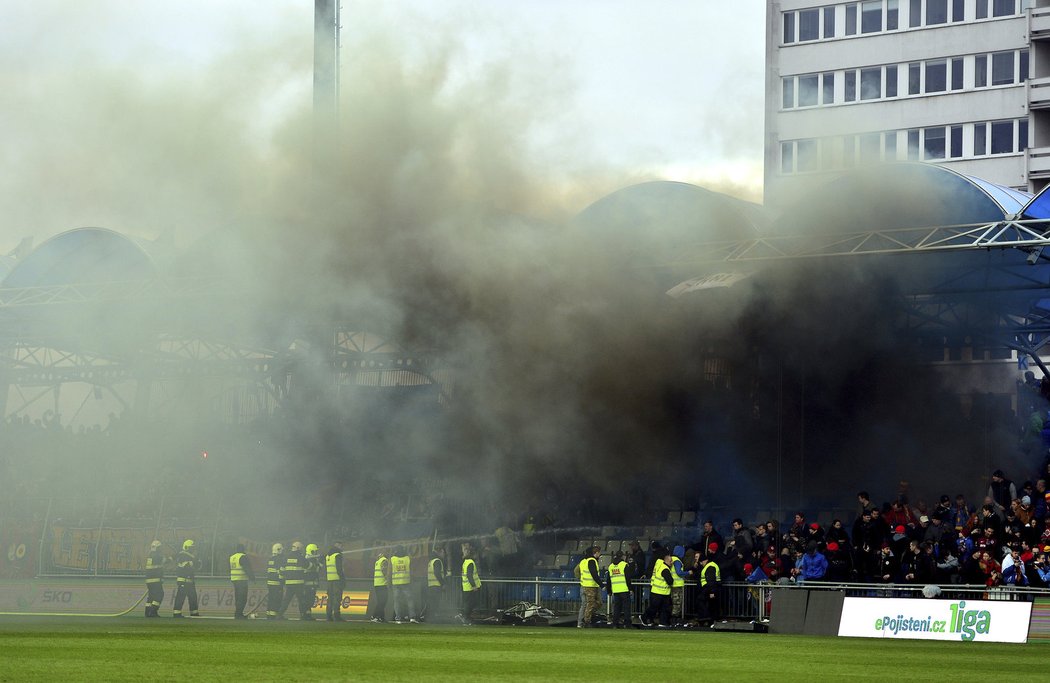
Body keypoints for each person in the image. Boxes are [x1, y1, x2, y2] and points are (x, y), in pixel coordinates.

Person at [641, 548, 673, 628]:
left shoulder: (659, 564)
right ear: (666, 561)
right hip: (661, 592)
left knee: (658, 608)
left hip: (656, 591)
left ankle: (661, 622)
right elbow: (670, 581)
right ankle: (645, 618)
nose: (671, 563)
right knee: (659, 608)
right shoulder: (665, 569)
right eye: (670, 561)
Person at [172, 539, 200, 618]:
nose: (193, 549)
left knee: (193, 597)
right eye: (191, 548)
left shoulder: (190, 556)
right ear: (186, 547)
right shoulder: (182, 555)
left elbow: (197, 566)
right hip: (183, 581)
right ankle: (177, 613)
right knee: (180, 597)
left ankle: (194, 612)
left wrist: (196, 562)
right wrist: (194, 562)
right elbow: (185, 565)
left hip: (190, 581)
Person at [575, 545, 602, 628]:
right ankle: (585, 621)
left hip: (583, 586)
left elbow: (576, 570)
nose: (600, 554)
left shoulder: (583, 561)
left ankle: (581, 622)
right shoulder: (591, 561)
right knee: (590, 604)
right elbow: (594, 574)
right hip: (591, 586)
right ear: (595, 553)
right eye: (598, 552)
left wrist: (581, 578)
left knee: (586, 605)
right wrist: (601, 584)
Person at [280, 541, 308, 619]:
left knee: (286, 600)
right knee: (301, 600)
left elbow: (281, 571)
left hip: (289, 583)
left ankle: (279, 615)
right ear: (299, 548)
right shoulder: (301, 557)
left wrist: (283, 579)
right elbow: (308, 566)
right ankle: (303, 615)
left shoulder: (286, 557)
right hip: (299, 583)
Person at [391, 545, 417, 623]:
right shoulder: (407, 558)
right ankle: (412, 618)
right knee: (409, 600)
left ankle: (398, 619)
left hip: (395, 583)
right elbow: (412, 571)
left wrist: (388, 583)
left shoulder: (392, 559)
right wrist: (412, 581)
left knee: (397, 601)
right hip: (406, 582)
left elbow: (389, 572)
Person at [606, 550, 632, 629]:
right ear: (622, 556)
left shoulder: (611, 566)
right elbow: (628, 578)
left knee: (617, 608)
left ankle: (615, 624)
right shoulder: (624, 565)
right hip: (624, 589)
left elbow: (608, 580)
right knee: (626, 608)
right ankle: (627, 624)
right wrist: (630, 589)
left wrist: (609, 591)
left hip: (615, 590)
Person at [229, 543, 255, 619]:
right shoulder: (243, 557)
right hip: (242, 580)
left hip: (234, 580)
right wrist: (252, 578)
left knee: (238, 597)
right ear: (243, 549)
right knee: (243, 598)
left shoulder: (232, 557)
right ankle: (239, 614)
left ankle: (238, 613)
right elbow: (247, 569)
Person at [422, 545, 446, 622]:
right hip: (436, 586)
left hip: (431, 586)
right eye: (443, 552)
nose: (444, 554)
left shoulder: (431, 561)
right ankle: (431, 618)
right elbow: (437, 573)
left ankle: (427, 617)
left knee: (431, 602)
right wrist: (443, 583)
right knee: (435, 603)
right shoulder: (437, 561)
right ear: (439, 551)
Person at [459, 543, 482, 625]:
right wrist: (474, 586)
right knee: (470, 604)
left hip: (466, 587)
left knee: (468, 604)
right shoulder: (470, 562)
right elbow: (469, 576)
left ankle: (466, 618)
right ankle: (466, 618)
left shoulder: (465, 562)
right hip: (470, 588)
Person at [698, 550, 722, 627]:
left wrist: (712, 592)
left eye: (701, 562)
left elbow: (711, 580)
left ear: (705, 561)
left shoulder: (710, 567)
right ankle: (711, 621)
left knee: (702, 601)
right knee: (712, 605)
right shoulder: (712, 565)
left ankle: (706, 619)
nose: (701, 564)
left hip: (710, 589)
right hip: (712, 588)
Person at [144, 539, 167, 618]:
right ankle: (153, 611)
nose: (161, 549)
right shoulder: (157, 556)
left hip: (149, 580)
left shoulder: (150, 555)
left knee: (151, 596)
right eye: (160, 548)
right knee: (159, 595)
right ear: (157, 548)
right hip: (156, 580)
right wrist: (172, 557)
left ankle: (147, 612)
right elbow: (165, 561)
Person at [369, 547, 391, 623]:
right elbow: (384, 572)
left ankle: (381, 617)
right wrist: (388, 582)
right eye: (388, 552)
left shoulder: (377, 561)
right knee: (383, 601)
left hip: (377, 584)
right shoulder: (384, 560)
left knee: (380, 601)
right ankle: (375, 616)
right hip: (382, 584)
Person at [325, 542, 346, 622]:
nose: (342, 547)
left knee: (330, 599)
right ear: (337, 546)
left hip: (329, 580)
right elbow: (339, 569)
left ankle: (328, 616)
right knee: (337, 598)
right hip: (337, 580)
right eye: (341, 545)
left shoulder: (328, 556)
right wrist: (342, 579)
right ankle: (337, 616)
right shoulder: (337, 555)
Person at [266, 543, 284, 620]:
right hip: (277, 583)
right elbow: (280, 572)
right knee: (277, 599)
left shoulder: (270, 559)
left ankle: (269, 614)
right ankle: (274, 614)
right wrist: (282, 582)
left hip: (269, 582)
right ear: (279, 550)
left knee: (271, 598)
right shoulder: (279, 559)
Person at [303, 543, 320, 621]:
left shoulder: (313, 559)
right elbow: (313, 568)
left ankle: (308, 614)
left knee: (310, 600)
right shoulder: (307, 560)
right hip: (308, 584)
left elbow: (319, 569)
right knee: (308, 600)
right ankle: (306, 615)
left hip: (312, 584)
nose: (316, 553)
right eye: (315, 551)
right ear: (311, 551)